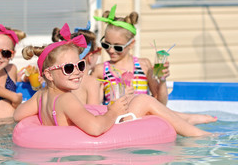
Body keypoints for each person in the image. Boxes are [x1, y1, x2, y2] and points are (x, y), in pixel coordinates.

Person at [13, 23, 211, 137]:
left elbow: (18, 115)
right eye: (68, 68)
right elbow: (97, 128)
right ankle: (201, 136)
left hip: (67, 141)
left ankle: (188, 120)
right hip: (105, 136)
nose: (77, 72)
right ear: (48, 74)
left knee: (143, 103)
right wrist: (113, 111)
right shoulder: (66, 99)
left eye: (80, 65)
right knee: (143, 101)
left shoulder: (41, 95)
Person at [91, 5, 217, 125]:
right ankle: (186, 119)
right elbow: (95, 108)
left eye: (118, 47)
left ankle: (186, 118)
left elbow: (160, 103)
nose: (111, 51)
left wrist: (162, 81)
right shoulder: (100, 70)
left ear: (131, 44)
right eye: (106, 45)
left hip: (144, 119)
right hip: (118, 119)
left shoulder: (143, 65)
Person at [51, 21, 103, 105]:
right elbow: (94, 112)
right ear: (90, 57)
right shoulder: (91, 82)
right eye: (98, 51)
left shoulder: (61, 81)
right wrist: (99, 98)